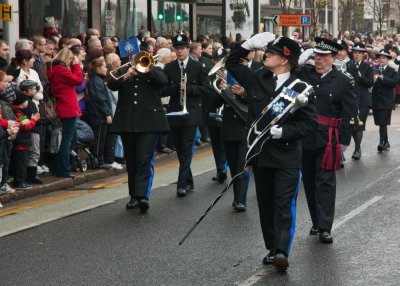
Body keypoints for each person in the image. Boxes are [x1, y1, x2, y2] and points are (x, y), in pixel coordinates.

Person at [226, 33, 317, 271]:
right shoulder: (257, 78)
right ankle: (272, 247)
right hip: (261, 153)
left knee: (284, 203)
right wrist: (246, 45)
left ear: (285, 60)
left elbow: (309, 124)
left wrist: (284, 132)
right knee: (266, 203)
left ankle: (281, 251)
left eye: (273, 53)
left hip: (287, 154)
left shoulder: (301, 87)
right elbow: (231, 64)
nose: (266, 55)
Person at [297, 37, 358, 244]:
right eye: (316, 55)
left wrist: (343, 142)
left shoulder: (343, 80)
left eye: (323, 56)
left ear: (334, 57)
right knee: (309, 182)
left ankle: (325, 226)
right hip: (304, 137)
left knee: (325, 183)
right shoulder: (305, 74)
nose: (319, 60)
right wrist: (300, 59)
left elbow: (350, 112)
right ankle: (316, 221)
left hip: (328, 139)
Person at [107, 43, 170, 213]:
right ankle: (134, 195)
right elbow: (111, 84)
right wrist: (127, 75)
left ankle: (142, 195)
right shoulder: (123, 70)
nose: (134, 60)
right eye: (132, 57)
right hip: (128, 122)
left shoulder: (154, 69)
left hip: (149, 122)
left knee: (144, 158)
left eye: (138, 56)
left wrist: (147, 69)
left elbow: (163, 81)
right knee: (132, 160)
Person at [163, 33, 213, 197]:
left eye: (182, 48)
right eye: (177, 48)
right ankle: (188, 179)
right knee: (179, 148)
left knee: (186, 148)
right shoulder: (169, 68)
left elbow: (206, 89)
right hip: (175, 111)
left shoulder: (197, 66)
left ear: (187, 49)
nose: (179, 51)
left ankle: (181, 184)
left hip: (191, 111)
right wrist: (177, 87)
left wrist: (189, 89)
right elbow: (163, 90)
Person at [47, 48, 84, 178]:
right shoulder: (61, 70)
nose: (70, 62)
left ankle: (57, 165)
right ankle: (62, 169)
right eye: (70, 60)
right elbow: (78, 80)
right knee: (67, 140)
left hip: (66, 106)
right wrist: (76, 65)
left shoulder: (54, 69)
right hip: (68, 107)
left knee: (72, 138)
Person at [86, 58, 121, 170]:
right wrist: (107, 114)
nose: (106, 69)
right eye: (104, 67)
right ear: (98, 68)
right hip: (99, 116)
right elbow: (100, 100)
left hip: (100, 115)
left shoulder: (98, 80)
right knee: (99, 140)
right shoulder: (96, 81)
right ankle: (98, 161)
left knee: (103, 139)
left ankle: (103, 160)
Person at [349, 43, 374, 159]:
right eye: (355, 52)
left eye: (359, 52)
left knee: (360, 124)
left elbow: (370, 83)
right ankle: (357, 147)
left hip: (363, 100)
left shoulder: (367, 66)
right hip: (351, 99)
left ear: (363, 54)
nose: (356, 54)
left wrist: (360, 76)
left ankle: (357, 149)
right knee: (353, 125)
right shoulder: (349, 64)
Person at [11, 92, 40, 189]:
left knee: (22, 163)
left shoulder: (20, 112)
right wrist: (34, 120)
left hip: (24, 141)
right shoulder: (18, 112)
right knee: (20, 163)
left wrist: (29, 120)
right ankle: (19, 182)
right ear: (22, 102)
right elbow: (25, 126)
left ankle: (22, 180)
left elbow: (26, 121)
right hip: (21, 142)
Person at [371, 49, 398, 152]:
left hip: (387, 101)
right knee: (379, 122)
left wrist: (382, 78)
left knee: (383, 122)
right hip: (376, 100)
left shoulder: (392, 70)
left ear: (388, 60)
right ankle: (386, 142)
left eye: (384, 58)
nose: (381, 60)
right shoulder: (374, 69)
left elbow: (394, 83)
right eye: (380, 58)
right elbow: (370, 82)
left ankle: (381, 142)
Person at [19, 80, 43, 184]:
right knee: (34, 152)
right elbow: (33, 116)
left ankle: (28, 176)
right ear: (28, 90)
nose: (35, 91)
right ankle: (31, 176)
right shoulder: (29, 103)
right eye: (34, 89)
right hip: (32, 130)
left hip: (29, 129)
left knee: (31, 153)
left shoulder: (26, 101)